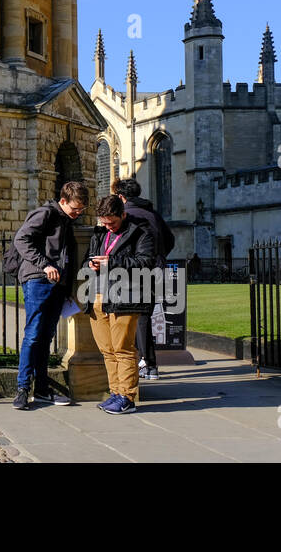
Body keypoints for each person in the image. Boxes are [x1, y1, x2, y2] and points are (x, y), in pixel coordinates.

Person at [11, 180, 87, 410]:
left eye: (82, 210)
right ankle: (23, 388)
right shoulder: (45, 214)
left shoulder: (65, 219)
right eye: (75, 208)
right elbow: (21, 239)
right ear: (63, 201)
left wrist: (67, 288)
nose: (78, 213)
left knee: (45, 338)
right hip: (38, 280)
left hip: (58, 285)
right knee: (33, 335)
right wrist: (44, 265)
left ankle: (42, 389)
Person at [85, 194, 156, 415]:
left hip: (126, 296)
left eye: (112, 222)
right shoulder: (101, 233)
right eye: (104, 222)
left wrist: (112, 262)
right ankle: (115, 392)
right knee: (107, 350)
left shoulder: (141, 232)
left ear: (123, 215)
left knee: (123, 349)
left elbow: (146, 262)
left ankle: (127, 397)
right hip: (99, 294)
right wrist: (90, 263)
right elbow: (89, 257)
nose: (108, 226)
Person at [111, 176, 175, 381]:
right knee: (144, 316)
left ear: (121, 197)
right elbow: (170, 239)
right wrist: (160, 256)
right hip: (156, 269)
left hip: (133, 272)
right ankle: (149, 364)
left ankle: (146, 363)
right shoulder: (153, 214)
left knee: (133, 318)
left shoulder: (126, 215)